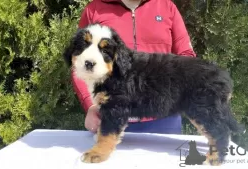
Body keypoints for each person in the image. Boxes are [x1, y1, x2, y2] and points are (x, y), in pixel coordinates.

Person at [72, 0, 197, 135]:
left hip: (164, 118)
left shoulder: (167, 7)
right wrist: (90, 105)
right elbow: (79, 63)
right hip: (112, 116)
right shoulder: (95, 9)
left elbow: (187, 57)